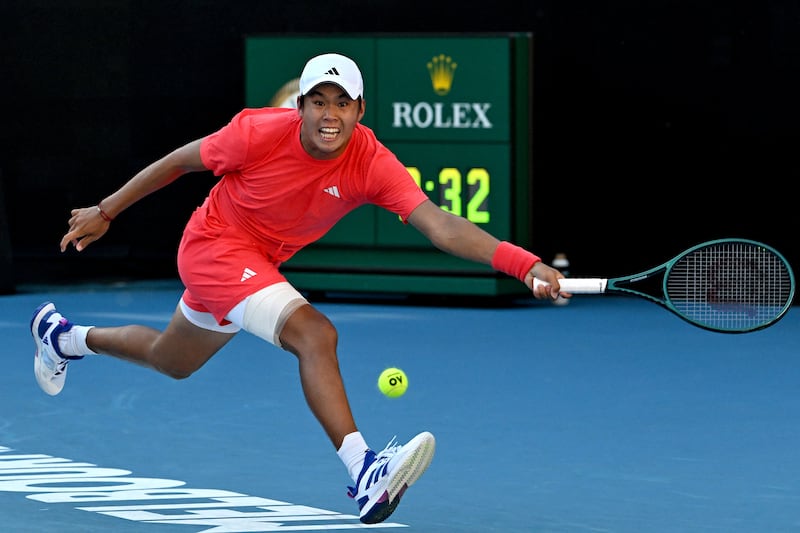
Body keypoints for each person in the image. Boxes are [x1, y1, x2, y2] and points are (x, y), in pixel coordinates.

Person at [30, 53, 568, 524]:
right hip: (214, 246)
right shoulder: (258, 131)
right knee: (314, 333)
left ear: (360, 111)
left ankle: (64, 338)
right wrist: (106, 210)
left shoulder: (372, 162)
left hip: (256, 263)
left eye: (342, 102)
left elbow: (441, 225)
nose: (329, 114)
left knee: (170, 359)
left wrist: (524, 265)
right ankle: (363, 471)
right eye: (318, 101)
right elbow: (178, 162)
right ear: (301, 106)